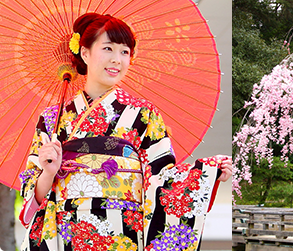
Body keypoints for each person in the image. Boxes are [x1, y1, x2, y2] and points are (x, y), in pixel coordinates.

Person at [18, 13, 232, 250]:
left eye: (125, 52)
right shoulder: (51, 119)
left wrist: (208, 173)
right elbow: (30, 196)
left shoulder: (145, 115)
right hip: (67, 230)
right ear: (85, 52)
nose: (117, 60)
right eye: (108, 48)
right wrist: (48, 173)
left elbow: (163, 180)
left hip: (124, 233)